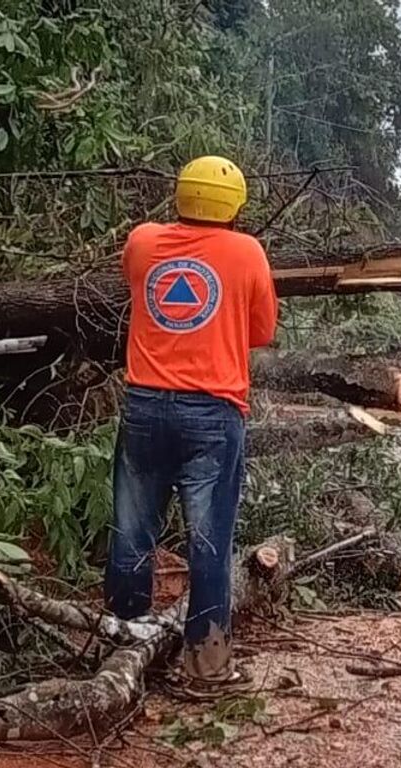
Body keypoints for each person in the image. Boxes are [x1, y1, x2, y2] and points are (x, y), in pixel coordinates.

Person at [105, 155, 278, 693]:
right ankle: (207, 666)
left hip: (145, 406)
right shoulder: (246, 251)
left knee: (132, 530)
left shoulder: (142, 243)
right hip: (213, 412)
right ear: (231, 206)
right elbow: (262, 332)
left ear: (181, 194)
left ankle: (122, 647)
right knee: (209, 540)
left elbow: (138, 288)